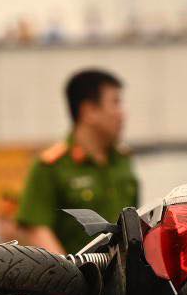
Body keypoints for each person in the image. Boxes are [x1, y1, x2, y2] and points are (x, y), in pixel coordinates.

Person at [16, 68, 139, 253]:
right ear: (89, 111)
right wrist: (70, 269)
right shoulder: (51, 166)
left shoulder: (123, 160)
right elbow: (36, 230)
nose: (122, 114)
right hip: (74, 270)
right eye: (115, 103)